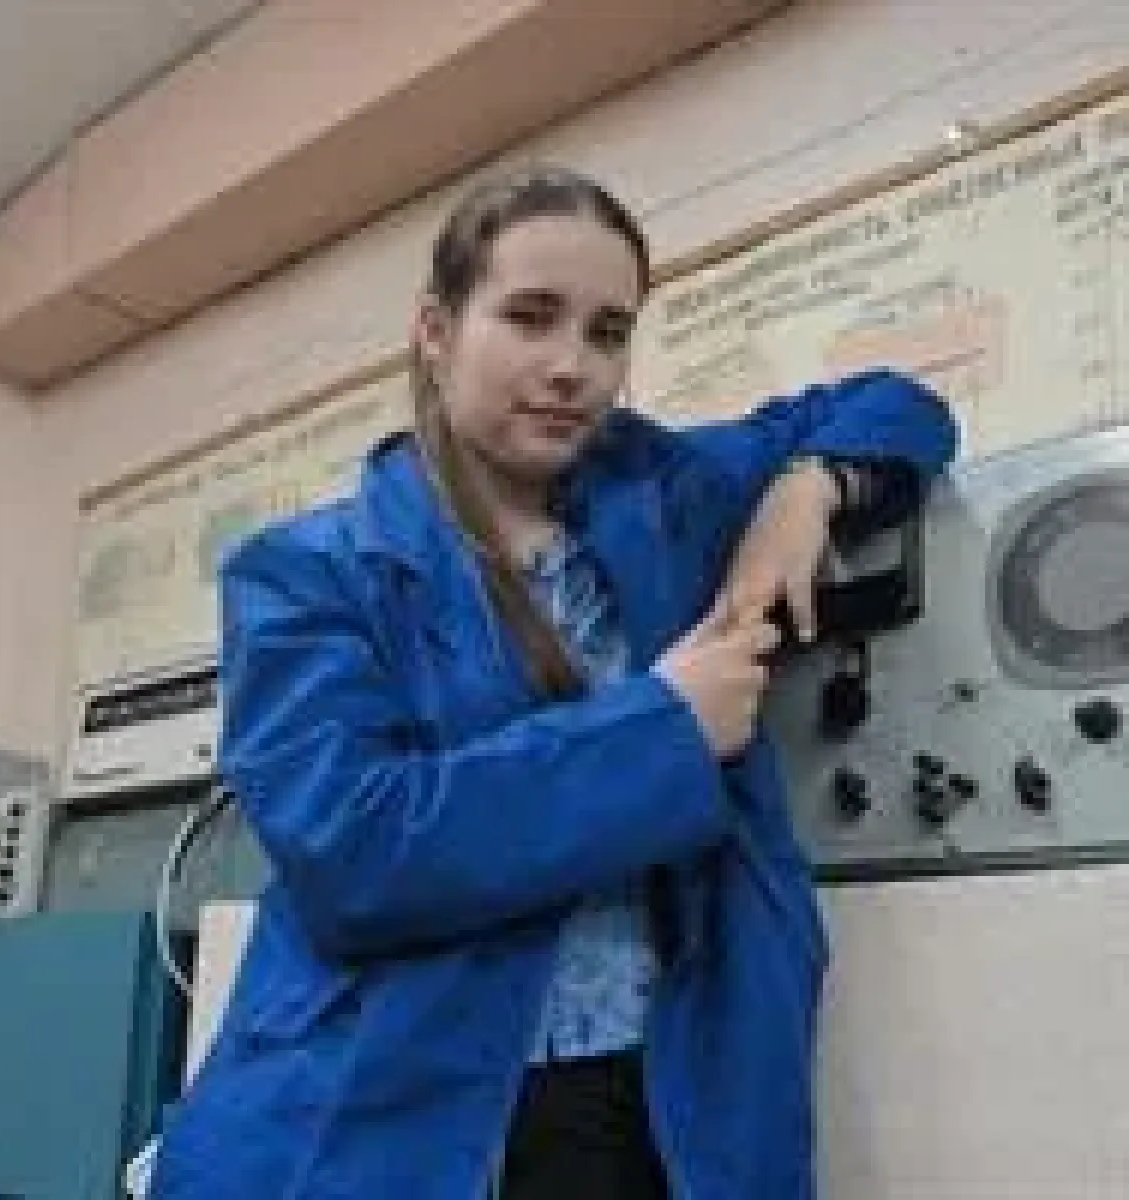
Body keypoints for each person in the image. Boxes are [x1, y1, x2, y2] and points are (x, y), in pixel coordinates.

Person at [147, 166, 958, 1199]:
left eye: (608, 332)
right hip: (394, 1108)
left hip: (665, 1093)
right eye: (531, 317)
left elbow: (897, 405)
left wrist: (808, 490)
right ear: (436, 330)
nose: (572, 366)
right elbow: (359, 854)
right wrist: (664, 729)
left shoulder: (673, 496)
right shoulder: (307, 573)